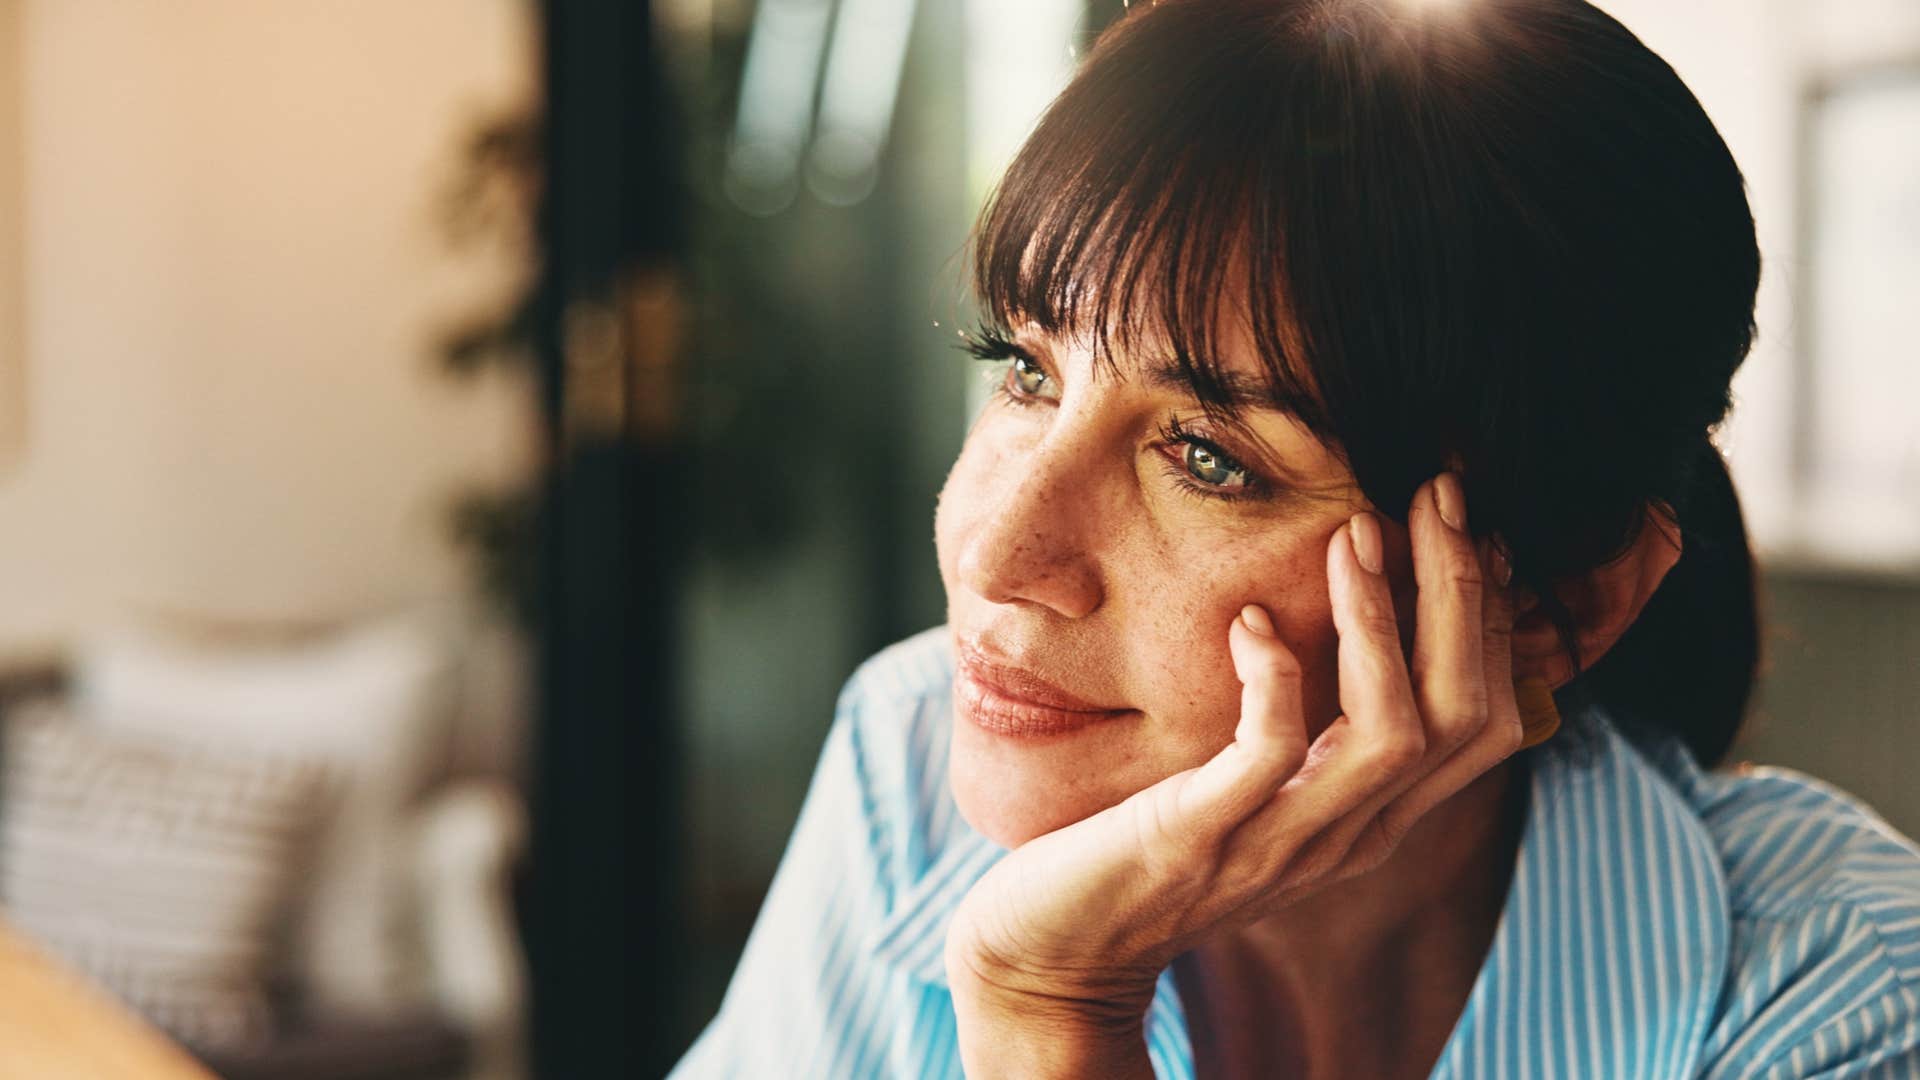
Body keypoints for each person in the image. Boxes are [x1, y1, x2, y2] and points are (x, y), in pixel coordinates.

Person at [672, 0, 1920, 1076]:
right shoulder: (910, 758)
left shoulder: (1840, 993)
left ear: (1554, 604)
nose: (996, 557)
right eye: (1026, 370)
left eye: (1210, 458)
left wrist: (1051, 1015)